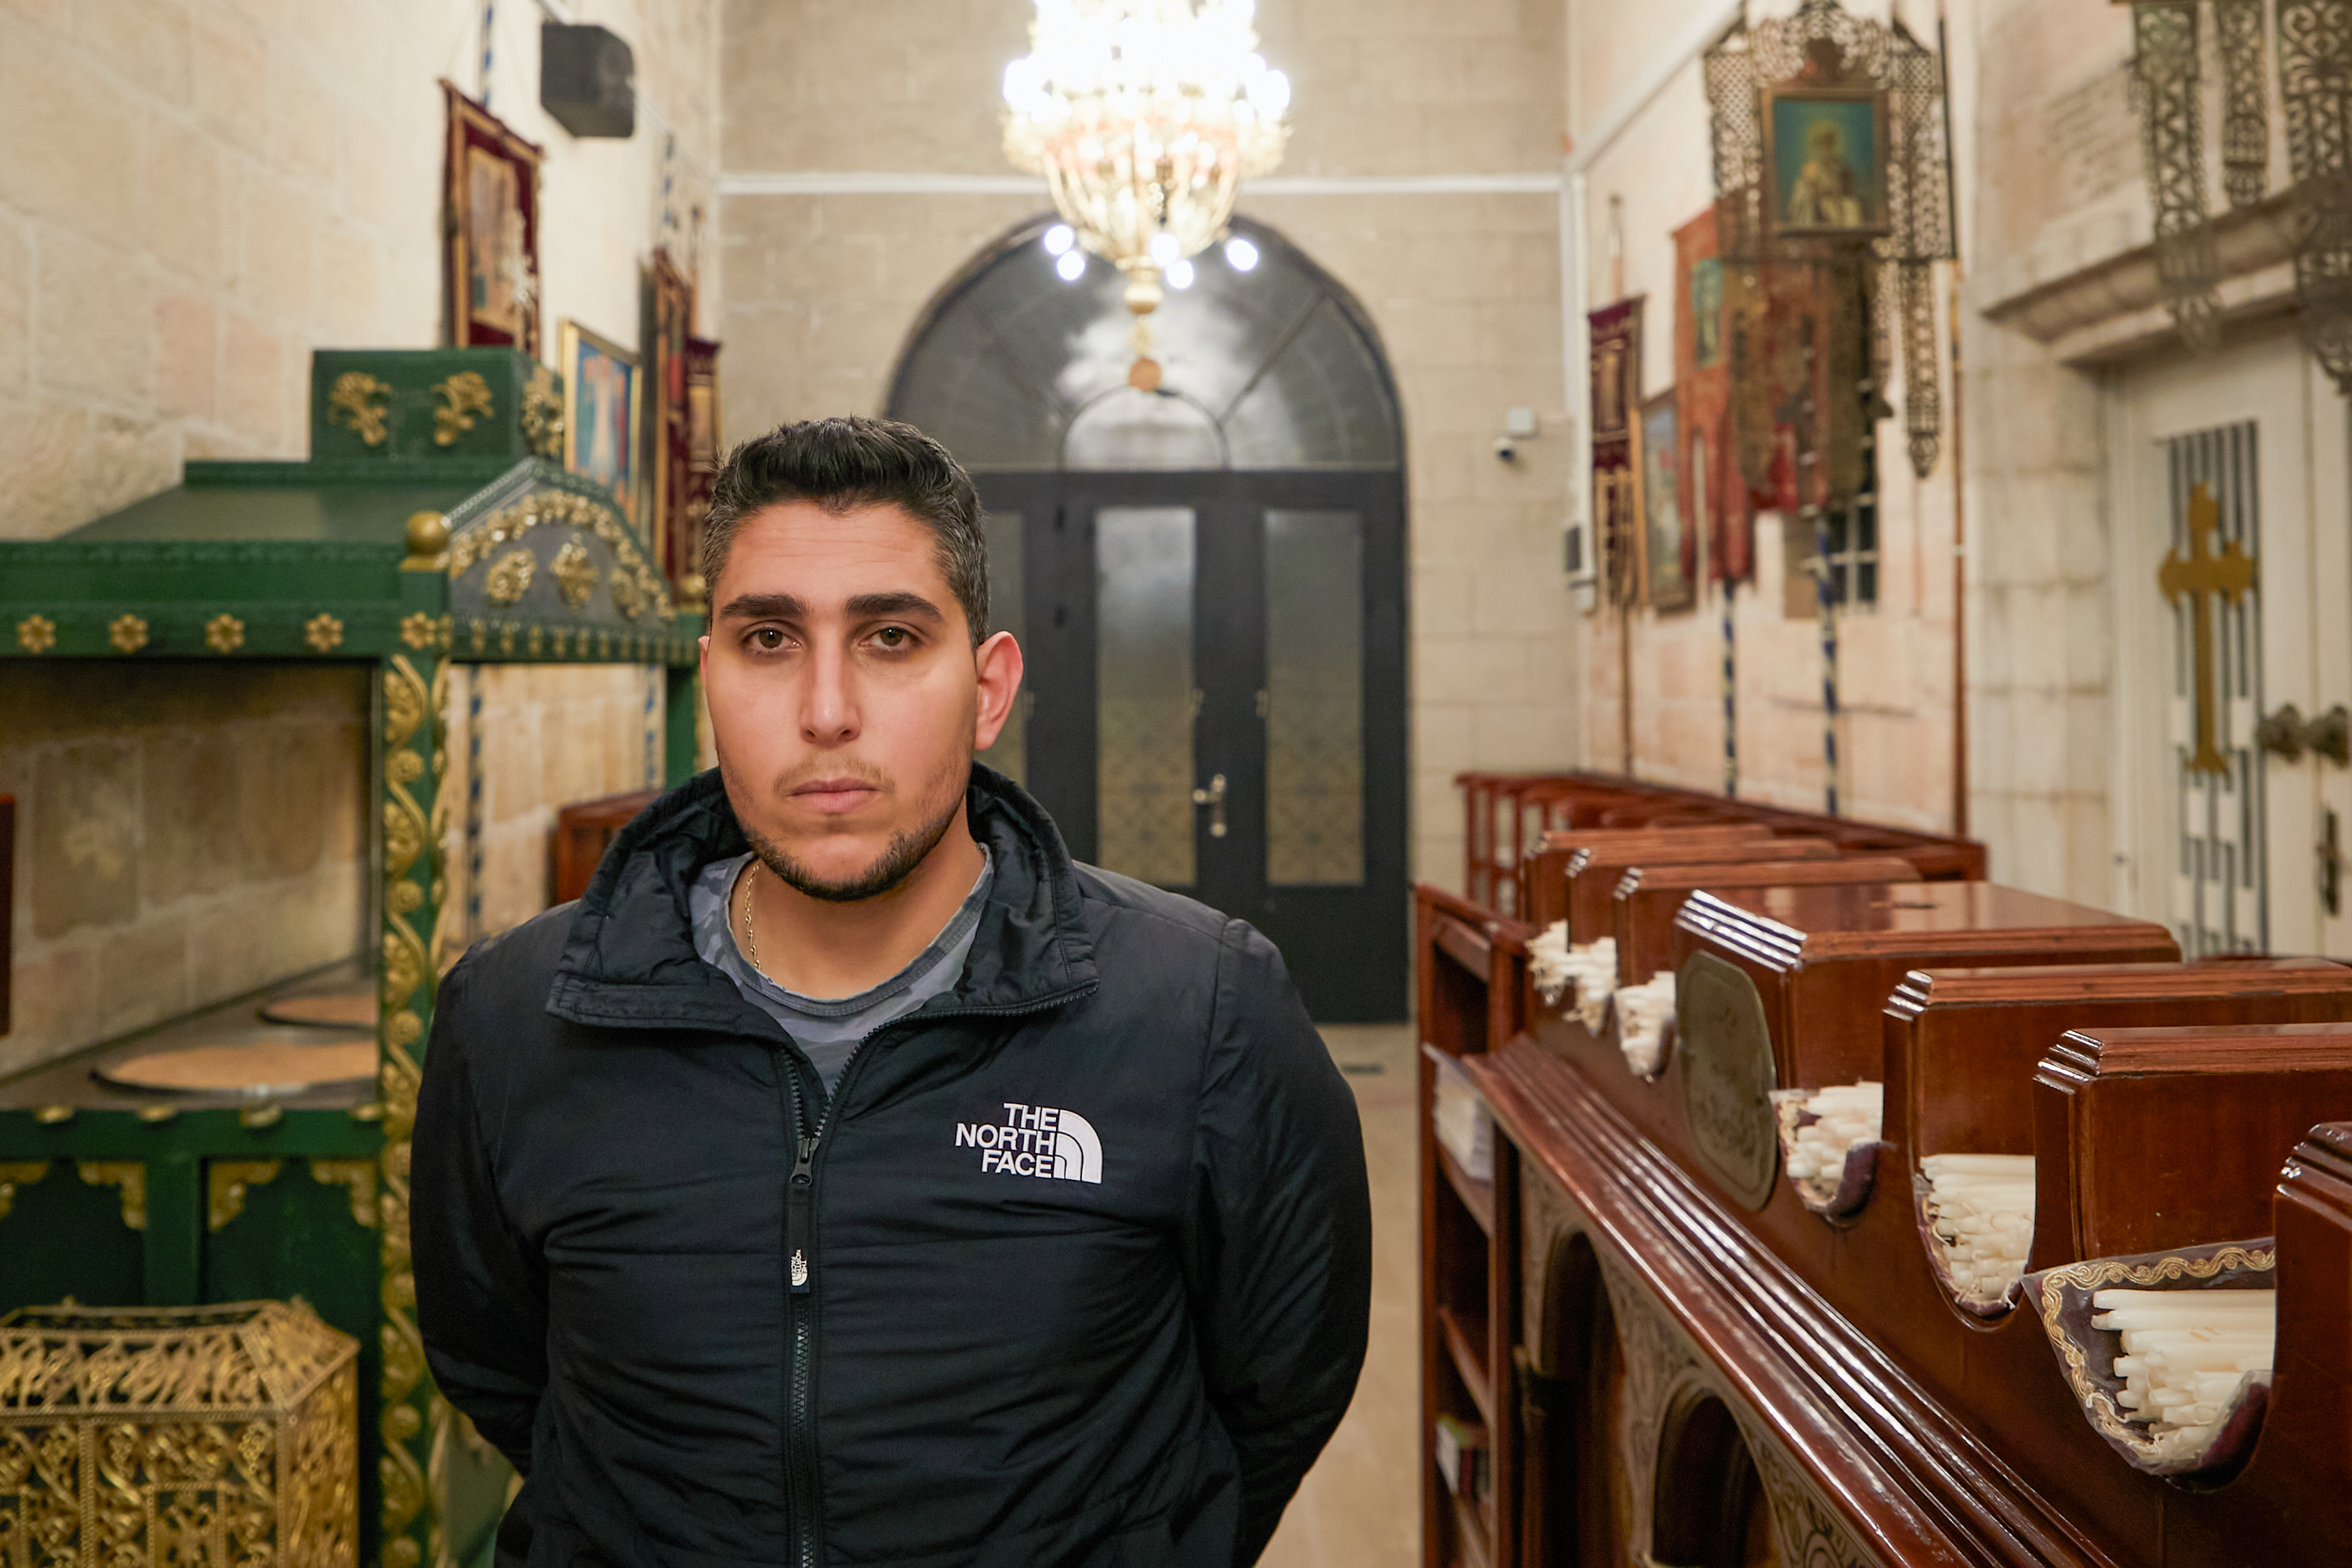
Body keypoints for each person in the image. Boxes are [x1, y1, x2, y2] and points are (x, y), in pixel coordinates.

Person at [412, 416, 1373, 1567]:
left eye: (890, 637)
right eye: (768, 638)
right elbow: (499, 1366)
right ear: (706, 670)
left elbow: (1279, 1389)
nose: (827, 711)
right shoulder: (517, 1016)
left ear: (987, 687)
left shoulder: (1200, 1008)